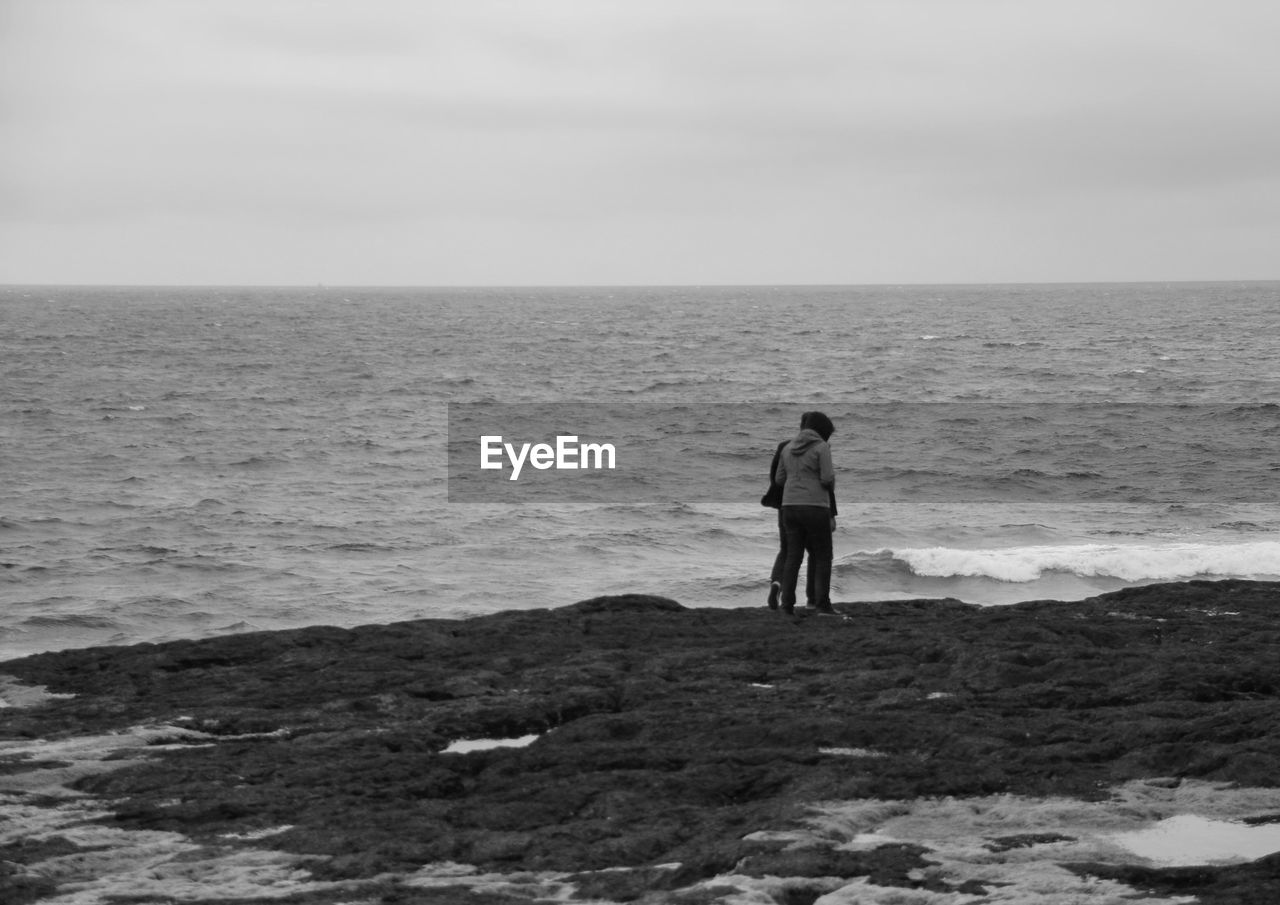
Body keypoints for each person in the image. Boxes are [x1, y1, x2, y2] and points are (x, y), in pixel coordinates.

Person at [763, 412, 837, 610]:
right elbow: (827, 480)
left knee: (791, 554)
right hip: (815, 506)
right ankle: (817, 602)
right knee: (820, 554)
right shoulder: (822, 447)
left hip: (787, 507)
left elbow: (778, 480)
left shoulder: (785, 447)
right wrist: (832, 514)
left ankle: (785, 600)